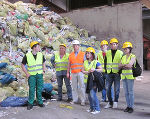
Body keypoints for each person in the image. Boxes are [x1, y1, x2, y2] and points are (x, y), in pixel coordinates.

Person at [21, 41, 46, 110]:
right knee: (32, 89)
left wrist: (44, 70)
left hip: (39, 75)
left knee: (39, 89)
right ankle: (30, 103)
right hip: (31, 76)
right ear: (34, 48)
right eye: (38, 46)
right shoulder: (27, 55)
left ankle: (40, 102)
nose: (39, 48)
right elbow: (22, 65)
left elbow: (44, 62)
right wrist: (27, 73)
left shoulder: (41, 54)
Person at [82, 47, 103, 114]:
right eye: (86, 53)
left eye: (88, 53)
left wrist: (94, 69)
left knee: (93, 94)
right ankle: (91, 108)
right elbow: (82, 70)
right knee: (89, 95)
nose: (87, 54)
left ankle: (97, 109)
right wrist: (87, 72)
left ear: (92, 54)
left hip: (94, 82)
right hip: (87, 81)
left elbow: (101, 70)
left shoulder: (96, 62)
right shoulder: (85, 62)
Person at [104, 38, 123, 109]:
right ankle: (110, 102)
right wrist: (106, 71)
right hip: (109, 73)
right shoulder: (108, 52)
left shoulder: (120, 53)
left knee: (116, 89)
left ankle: (115, 102)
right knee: (107, 88)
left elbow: (122, 63)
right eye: (111, 44)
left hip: (117, 73)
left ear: (117, 45)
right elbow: (105, 62)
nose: (113, 46)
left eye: (114, 44)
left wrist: (120, 72)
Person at [67, 40, 86, 106]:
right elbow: (69, 64)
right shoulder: (71, 55)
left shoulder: (83, 54)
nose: (75, 47)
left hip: (80, 73)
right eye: (74, 45)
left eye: (76, 45)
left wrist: (83, 70)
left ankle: (83, 100)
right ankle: (75, 99)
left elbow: (85, 63)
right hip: (73, 73)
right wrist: (68, 72)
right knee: (74, 87)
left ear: (79, 46)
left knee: (82, 87)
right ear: (73, 46)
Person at [119, 42, 136, 113]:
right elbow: (119, 66)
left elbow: (130, 65)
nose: (125, 50)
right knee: (126, 92)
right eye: (124, 49)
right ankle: (128, 106)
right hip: (124, 76)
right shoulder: (123, 57)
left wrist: (123, 65)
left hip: (130, 76)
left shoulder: (133, 56)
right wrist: (125, 65)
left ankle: (131, 107)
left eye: (126, 48)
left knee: (130, 92)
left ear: (130, 49)